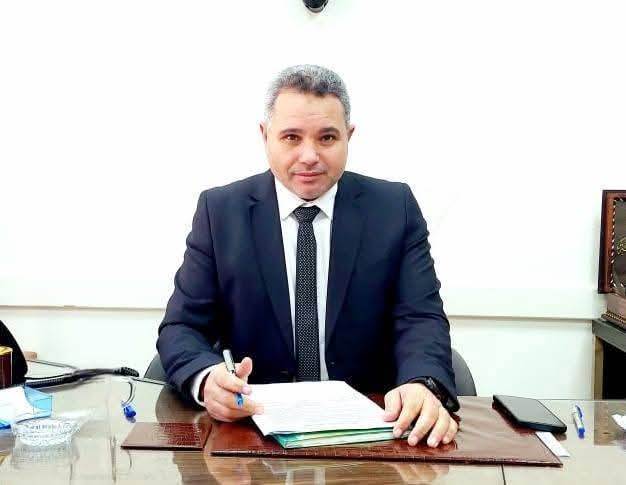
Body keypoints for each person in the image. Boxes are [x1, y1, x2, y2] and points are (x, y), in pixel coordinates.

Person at [157, 65, 459, 447]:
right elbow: (182, 328)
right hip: (251, 434)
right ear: (265, 136)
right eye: (291, 137)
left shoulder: (394, 208)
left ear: (349, 136)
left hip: (373, 431)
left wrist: (421, 382)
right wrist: (207, 380)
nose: (309, 156)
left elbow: (421, 318)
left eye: (327, 138)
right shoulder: (220, 212)